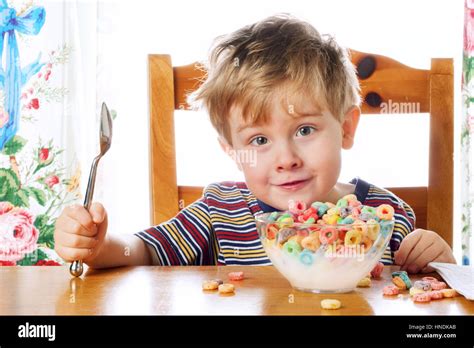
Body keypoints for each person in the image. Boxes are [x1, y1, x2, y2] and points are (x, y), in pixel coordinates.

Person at [54, 14, 456, 273]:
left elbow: (430, 288)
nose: (285, 159)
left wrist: (438, 259)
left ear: (347, 128)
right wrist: (98, 246)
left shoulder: (387, 218)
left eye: (304, 130)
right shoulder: (218, 215)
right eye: (259, 139)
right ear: (232, 151)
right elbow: (142, 251)